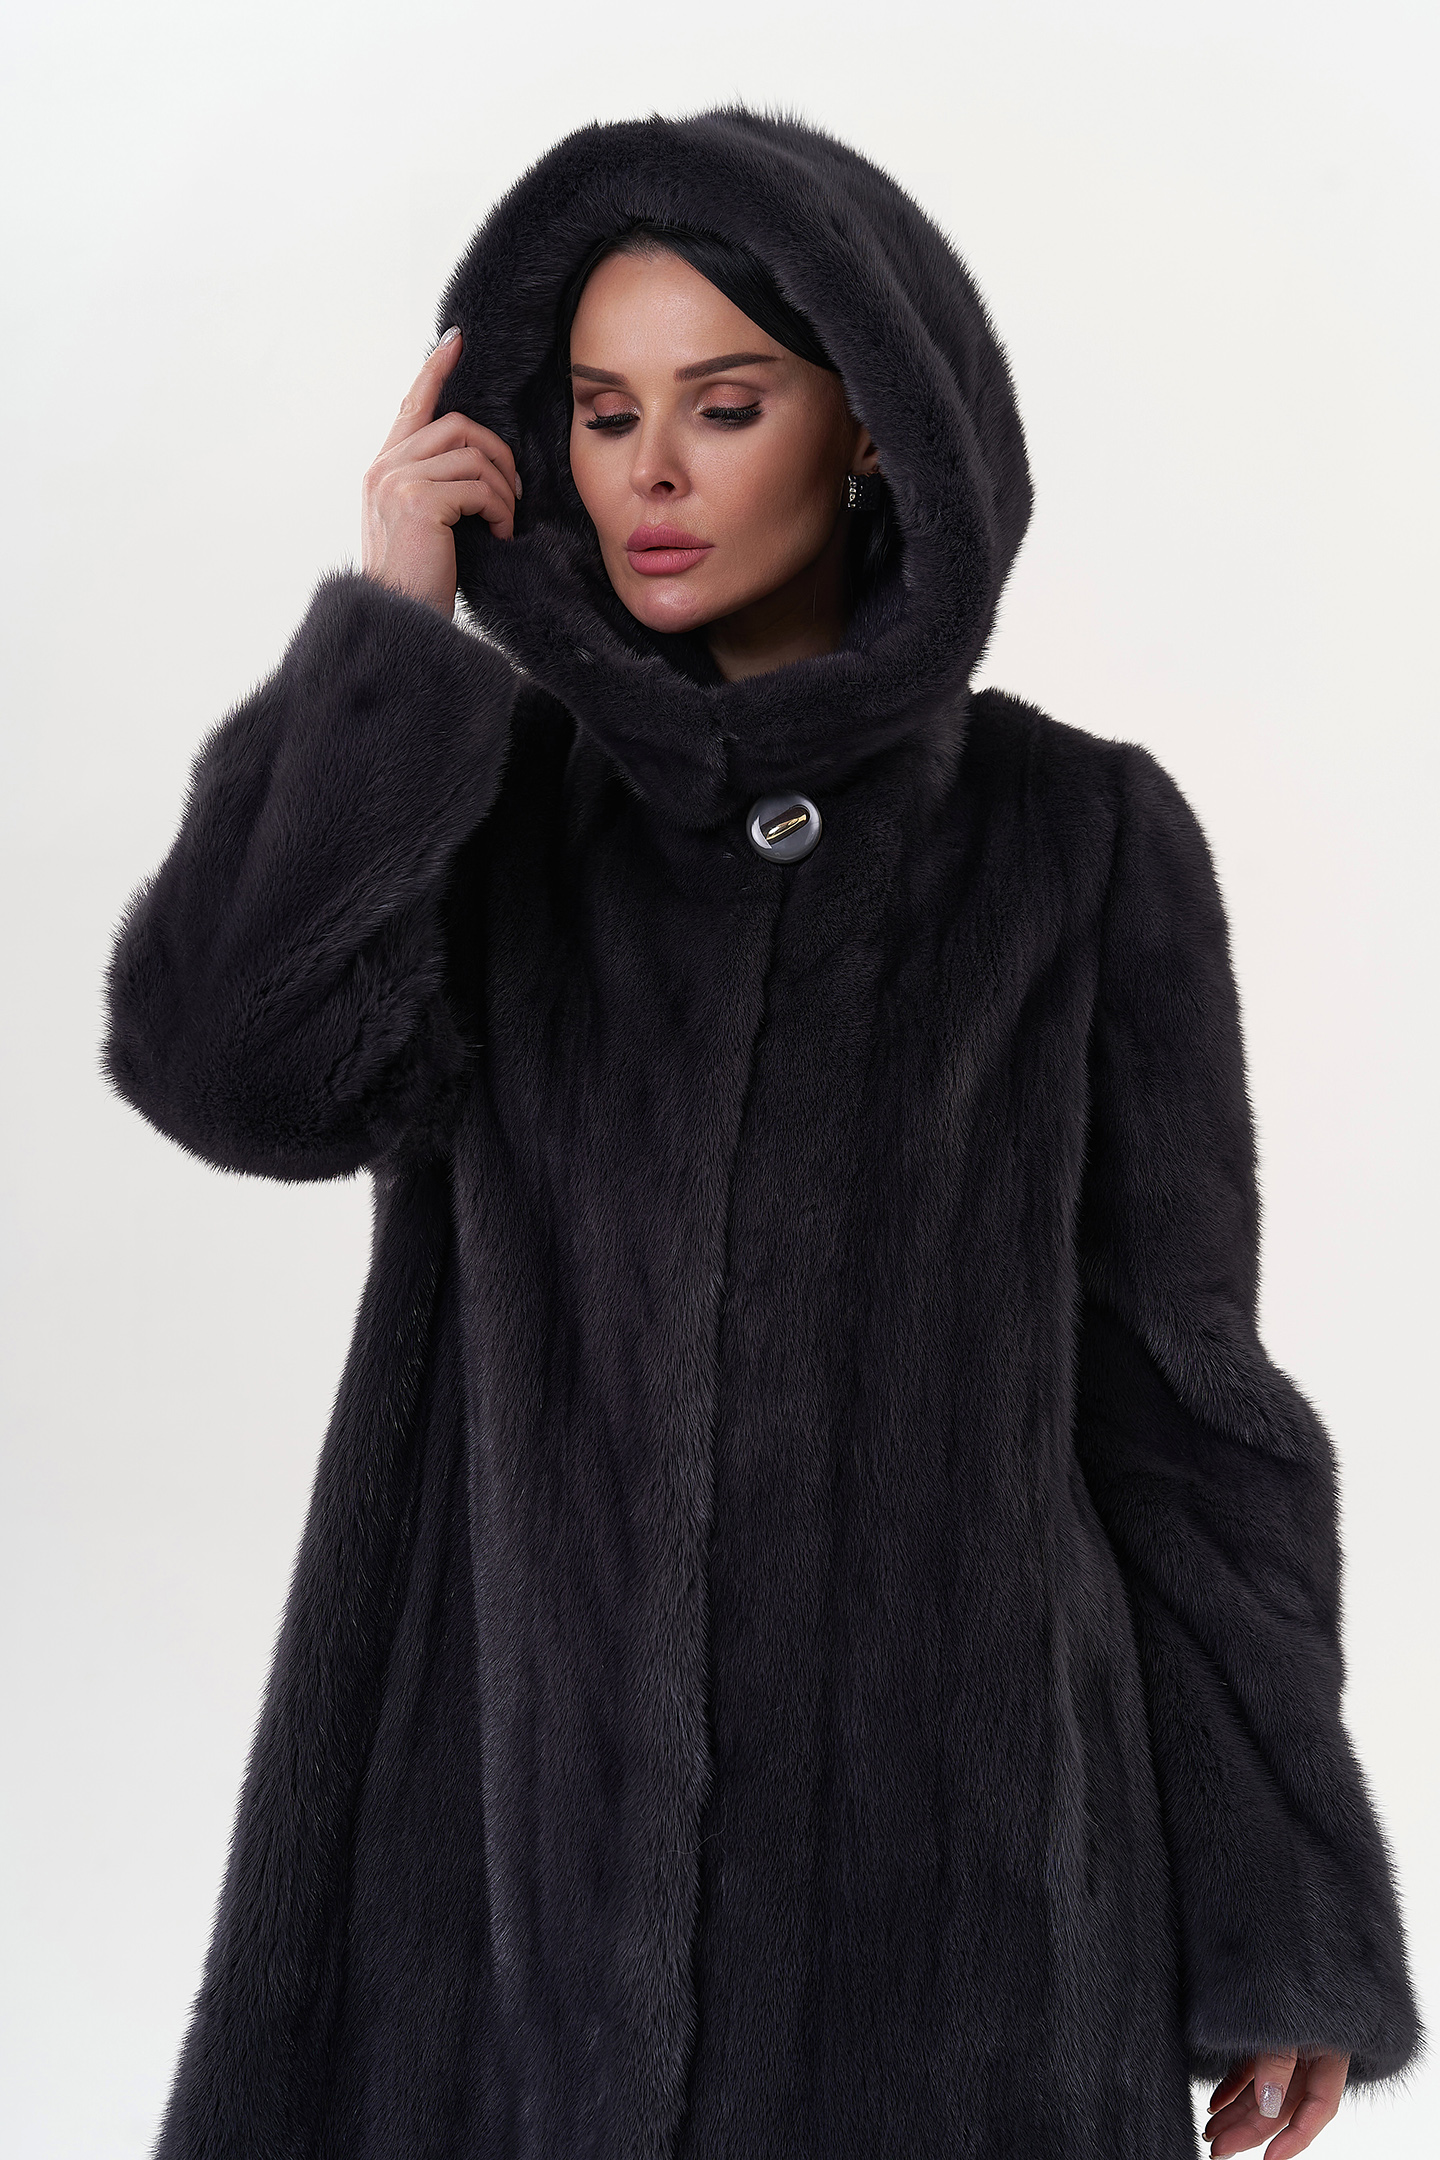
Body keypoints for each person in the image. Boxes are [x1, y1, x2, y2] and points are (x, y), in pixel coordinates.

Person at [102, 106, 1422, 2160]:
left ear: (872, 423)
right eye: (602, 409)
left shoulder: (1074, 838)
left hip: (970, 1903)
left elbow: (1183, 1400)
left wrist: (1281, 1924)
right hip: (507, 1880)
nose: (651, 468)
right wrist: (388, 643)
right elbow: (234, 1076)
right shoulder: (483, 807)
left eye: (724, 405)